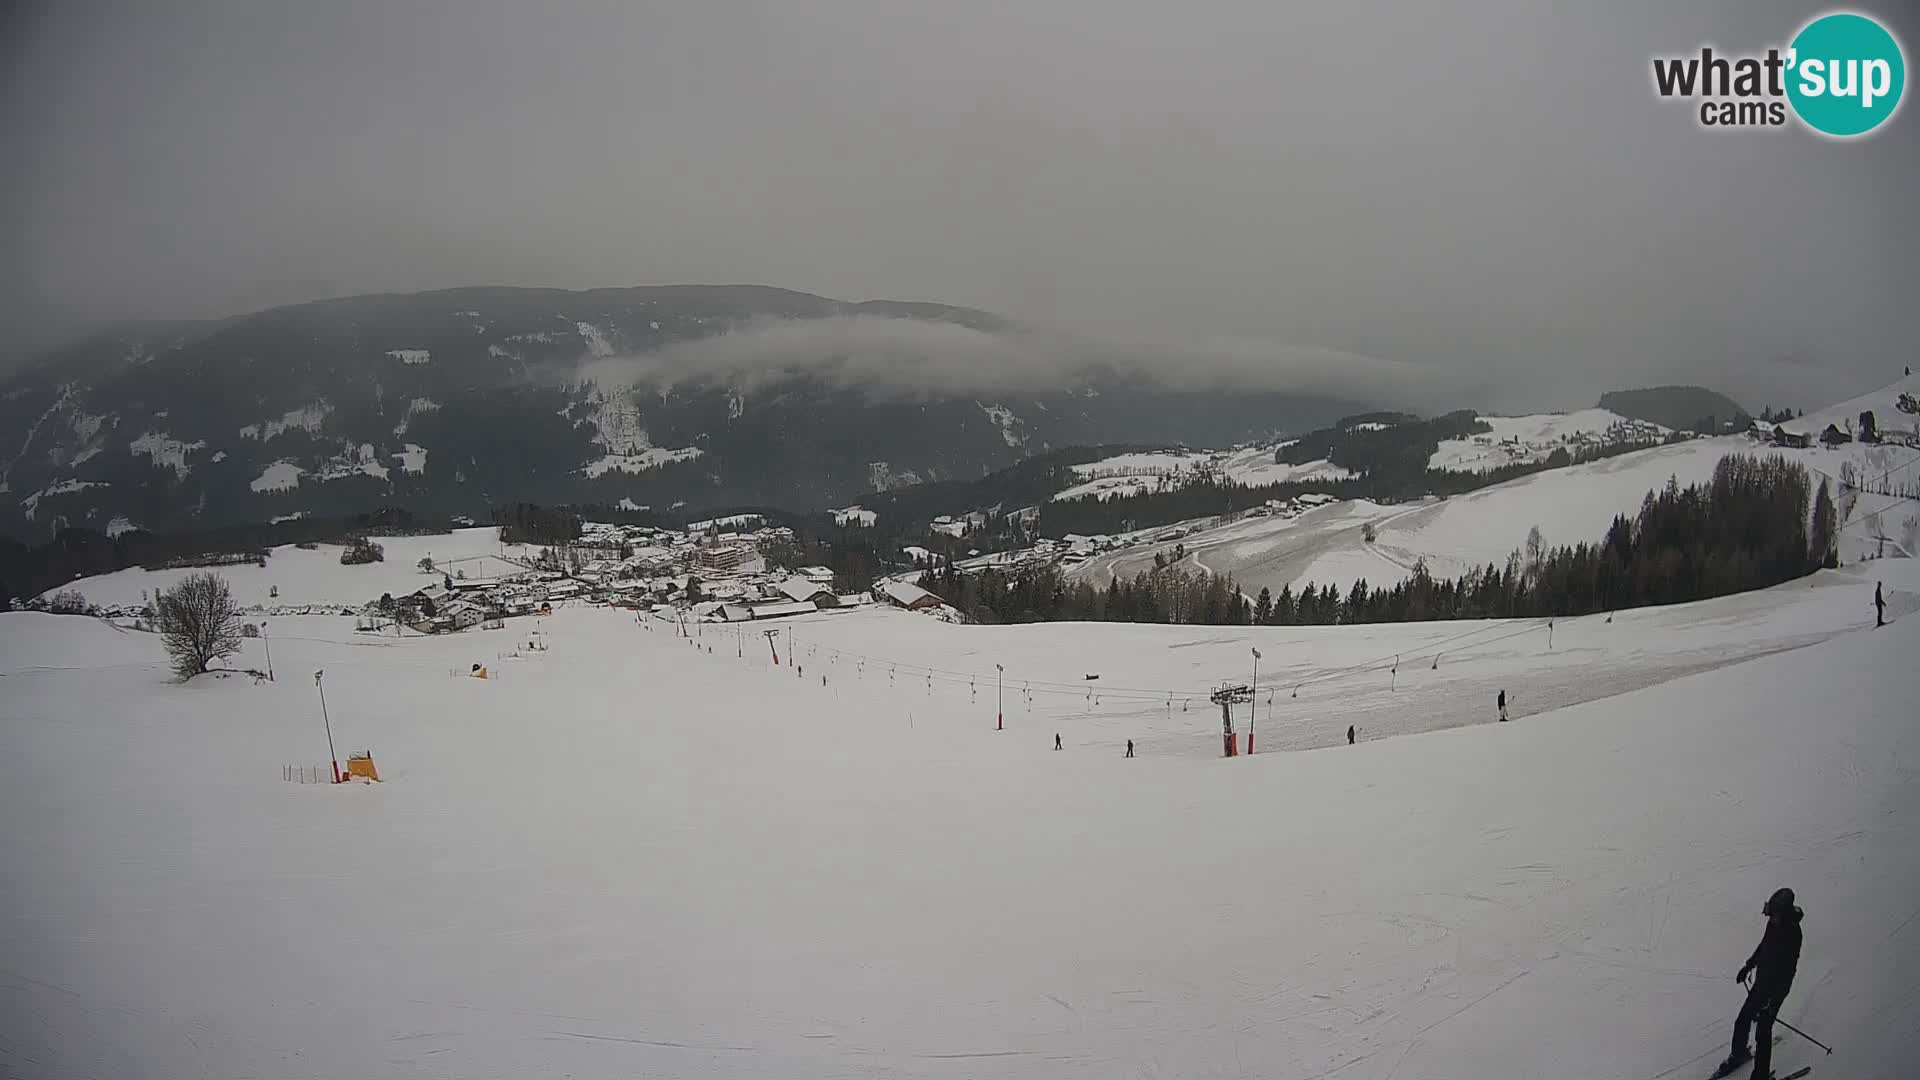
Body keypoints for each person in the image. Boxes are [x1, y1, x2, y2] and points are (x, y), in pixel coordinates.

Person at [1717, 888, 1804, 1080]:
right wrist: (1748, 967)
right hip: (1762, 983)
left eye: (1774, 915)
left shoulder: (1793, 934)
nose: (1770, 918)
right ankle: (1738, 1054)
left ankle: (1760, 1075)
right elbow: (1764, 947)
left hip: (1777, 988)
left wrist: (1771, 999)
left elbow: (1786, 970)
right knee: (1743, 1018)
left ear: (1783, 913)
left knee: (1763, 1031)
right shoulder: (1774, 924)